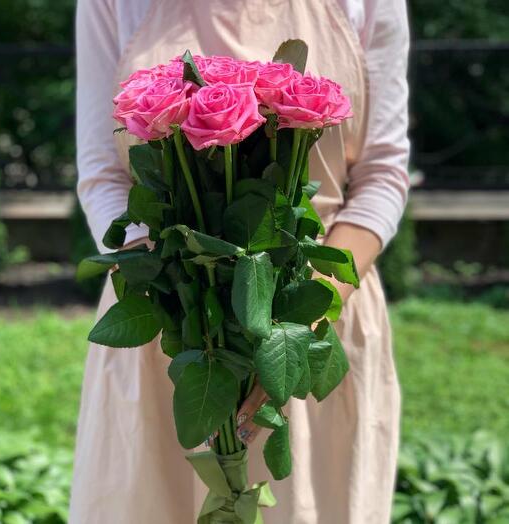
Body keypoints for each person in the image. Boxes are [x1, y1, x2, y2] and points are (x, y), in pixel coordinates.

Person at [70, 1, 410, 523]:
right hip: (174, 325)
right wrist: (173, 290)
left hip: (314, 314)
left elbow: (382, 174)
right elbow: (102, 173)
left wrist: (302, 319)